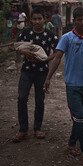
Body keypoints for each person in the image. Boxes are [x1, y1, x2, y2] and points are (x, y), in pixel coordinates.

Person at [44, 7, 83, 164]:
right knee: (79, 118)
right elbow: (57, 57)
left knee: (81, 118)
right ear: (74, 21)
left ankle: (72, 143)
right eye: (79, 19)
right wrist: (48, 78)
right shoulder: (67, 38)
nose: (82, 22)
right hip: (72, 85)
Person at [13, 7, 58, 143]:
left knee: (39, 100)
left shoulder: (50, 35)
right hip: (26, 70)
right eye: (34, 19)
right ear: (30, 20)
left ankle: (37, 128)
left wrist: (46, 59)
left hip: (42, 72)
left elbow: (57, 52)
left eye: (40, 19)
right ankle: (23, 130)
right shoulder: (25, 33)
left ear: (45, 19)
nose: (37, 21)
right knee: (21, 98)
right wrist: (24, 53)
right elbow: (18, 47)